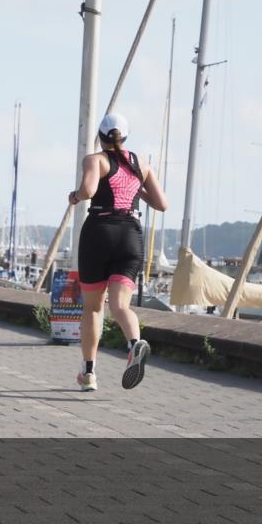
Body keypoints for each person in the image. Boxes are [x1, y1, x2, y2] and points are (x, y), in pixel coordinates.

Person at [68, 112, 167, 393]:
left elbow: (88, 190)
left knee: (93, 307)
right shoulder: (142, 165)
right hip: (130, 235)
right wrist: (138, 188)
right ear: (125, 138)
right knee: (120, 306)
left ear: (101, 136)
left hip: (99, 231)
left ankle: (88, 373)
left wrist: (74, 196)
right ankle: (134, 343)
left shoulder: (95, 160)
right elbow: (162, 204)